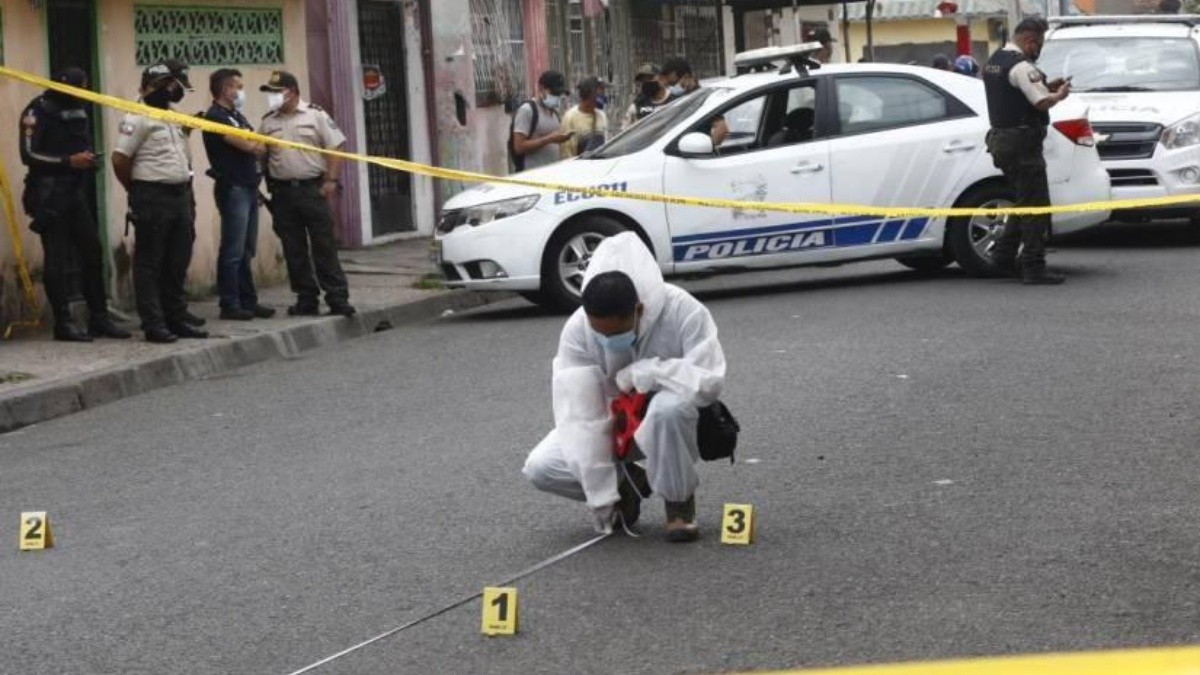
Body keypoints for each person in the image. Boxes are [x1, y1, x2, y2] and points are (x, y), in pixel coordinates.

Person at [522, 233, 726, 543]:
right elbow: (581, 417)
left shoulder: (682, 310)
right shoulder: (577, 329)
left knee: (667, 409)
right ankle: (626, 487)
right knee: (541, 467)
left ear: (640, 310)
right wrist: (601, 494)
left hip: (672, 426)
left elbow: (708, 381)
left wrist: (649, 372)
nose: (607, 341)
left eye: (616, 333)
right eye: (600, 334)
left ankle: (679, 504)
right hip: (612, 424)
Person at [19, 67, 130, 343]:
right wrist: (68, 162)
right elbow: (28, 154)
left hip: (74, 191)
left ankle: (99, 317)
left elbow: (81, 143)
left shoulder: (79, 110)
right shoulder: (37, 110)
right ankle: (64, 323)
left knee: (92, 250)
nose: (84, 92)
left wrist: (88, 159)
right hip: (49, 194)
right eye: (81, 86)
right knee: (56, 257)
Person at [112, 60, 208, 343]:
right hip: (152, 197)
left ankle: (176, 318)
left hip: (179, 195)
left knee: (177, 260)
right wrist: (135, 190)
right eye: (173, 86)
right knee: (150, 263)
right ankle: (153, 323)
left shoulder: (171, 114)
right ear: (158, 86)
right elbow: (119, 159)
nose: (176, 92)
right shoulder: (137, 117)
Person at [259, 70, 356, 317]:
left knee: (324, 245)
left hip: (312, 189)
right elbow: (261, 153)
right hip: (283, 193)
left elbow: (336, 145)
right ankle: (306, 298)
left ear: (292, 92)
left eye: (277, 92)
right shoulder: (268, 122)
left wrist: (331, 180)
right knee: (294, 249)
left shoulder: (315, 115)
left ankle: (337, 297)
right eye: (270, 92)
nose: (272, 96)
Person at [982, 18, 1071, 285]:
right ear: (1030, 41)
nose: (1038, 50)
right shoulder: (1022, 66)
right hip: (1022, 144)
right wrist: (1059, 95)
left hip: (1002, 140)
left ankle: (1003, 257)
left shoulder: (995, 60)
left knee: (1024, 201)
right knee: (1037, 207)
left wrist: (1046, 86)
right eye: (1038, 44)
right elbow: (1041, 102)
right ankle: (1033, 266)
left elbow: (1015, 94)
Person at [202, 68, 275, 321]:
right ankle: (230, 303)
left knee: (246, 250)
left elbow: (258, 143)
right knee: (233, 250)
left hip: (249, 187)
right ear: (226, 90)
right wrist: (255, 144)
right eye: (238, 87)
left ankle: (248, 301)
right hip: (233, 188)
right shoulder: (215, 116)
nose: (241, 92)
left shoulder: (236, 116)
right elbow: (247, 144)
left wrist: (256, 144)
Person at [510, 71, 572, 172]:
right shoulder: (527, 110)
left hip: (552, 173)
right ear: (541, 89)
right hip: (531, 175)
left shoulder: (554, 113)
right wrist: (549, 139)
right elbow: (518, 147)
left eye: (559, 94)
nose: (557, 97)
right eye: (554, 93)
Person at [560, 76, 609, 158]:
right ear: (589, 93)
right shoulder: (570, 117)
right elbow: (567, 152)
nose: (603, 94)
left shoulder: (601, 115)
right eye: (600, 90)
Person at [622, 63, 664, 130]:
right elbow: (625, 130)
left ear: (661, 78)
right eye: (643, 80)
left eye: (650, 78)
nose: (647, 82)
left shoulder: (673, 99)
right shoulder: (637, 104)